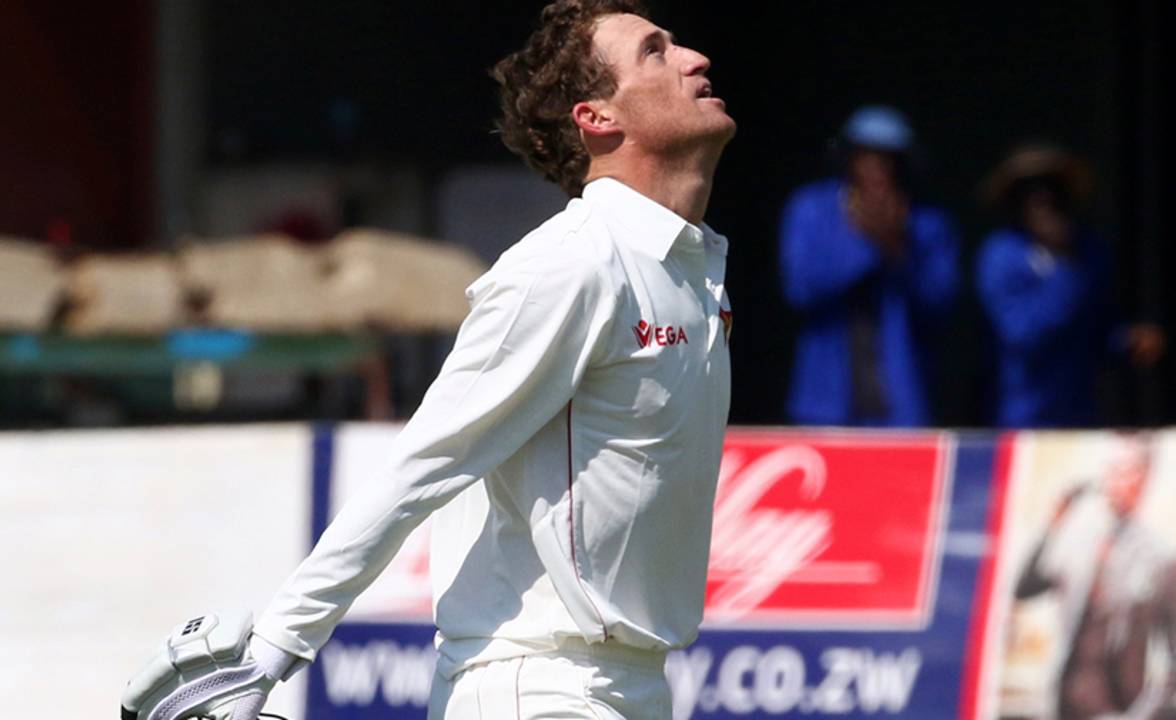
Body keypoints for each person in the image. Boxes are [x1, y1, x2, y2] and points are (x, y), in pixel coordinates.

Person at [120, 1, 736, 718]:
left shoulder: (696, 266)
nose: (695, 58)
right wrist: (272, 651)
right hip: (538, 684)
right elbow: (425, 463)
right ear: (596, 117)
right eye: (656, 52)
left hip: (637, 687)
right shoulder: (570, 266)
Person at [779, 105, 960, 427]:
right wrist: (866, 245)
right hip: (825, 404)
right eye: (867, 156)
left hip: (901, 405)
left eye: (888, 158)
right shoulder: (811, 208)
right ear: (849, 159)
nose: (878, 169)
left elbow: (941, 305)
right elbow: (801, 290)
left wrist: (897, 246)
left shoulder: (927, 223)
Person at [976, 143, 1165, 428]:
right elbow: (1021, 335)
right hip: (1022, 416)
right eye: (1031, 189)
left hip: (1080, 415)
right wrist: (1063, 268)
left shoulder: (1091, 253)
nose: (1042, 199)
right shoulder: (1001, 254)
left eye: (1051, 188)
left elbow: (1097, 332)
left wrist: (1127, 342)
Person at [1012, 437, 1176, 719]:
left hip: (1117, 707)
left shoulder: (1163, 558)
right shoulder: (1076, 540)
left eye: (1125, 470)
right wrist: (1053, 523)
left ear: (1144, 477)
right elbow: (1024, 588)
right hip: (1060, 706)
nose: (1115, 479)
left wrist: (1142, 715)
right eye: (1111, 469)